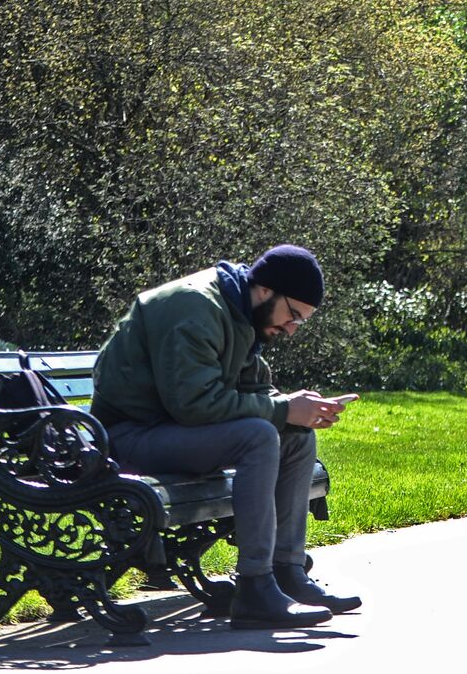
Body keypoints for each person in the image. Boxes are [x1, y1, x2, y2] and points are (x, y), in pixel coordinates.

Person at [91, 245, 361, 629]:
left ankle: (286, 572)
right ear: (267, 290)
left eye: (300, 322)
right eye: (294, 316)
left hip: (171, 432)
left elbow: (253, 389)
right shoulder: (194, 307)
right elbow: (194, 404)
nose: (291, 329)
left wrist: (300, 409)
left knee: (297, 436)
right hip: (130, 438)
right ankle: (254, 588)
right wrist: (284, 410)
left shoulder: (239, 312)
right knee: (258, 436)